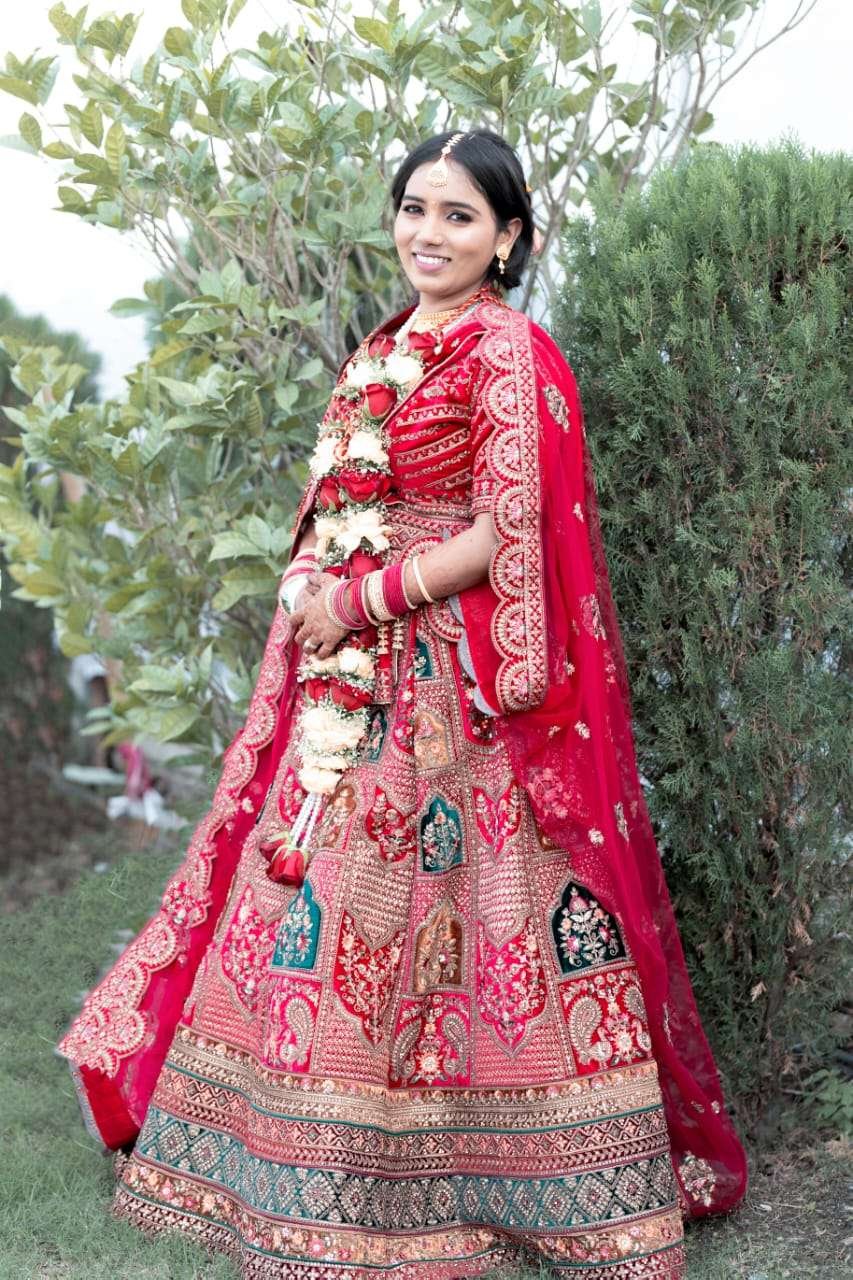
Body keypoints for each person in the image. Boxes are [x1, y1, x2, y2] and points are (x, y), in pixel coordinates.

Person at [58, 129, 747, 1279]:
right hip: (347, 672)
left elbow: (505, 528)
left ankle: (513, 1179)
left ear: (508, 237)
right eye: (414, 208)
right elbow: (336, 497)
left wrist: (363, 597)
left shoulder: (509, 353)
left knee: (460, 905)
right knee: (312, 892)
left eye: (459, 215)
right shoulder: (384, 347)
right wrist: (306, 584)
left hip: (453, 682)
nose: (429, 233)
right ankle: (285, 1166)